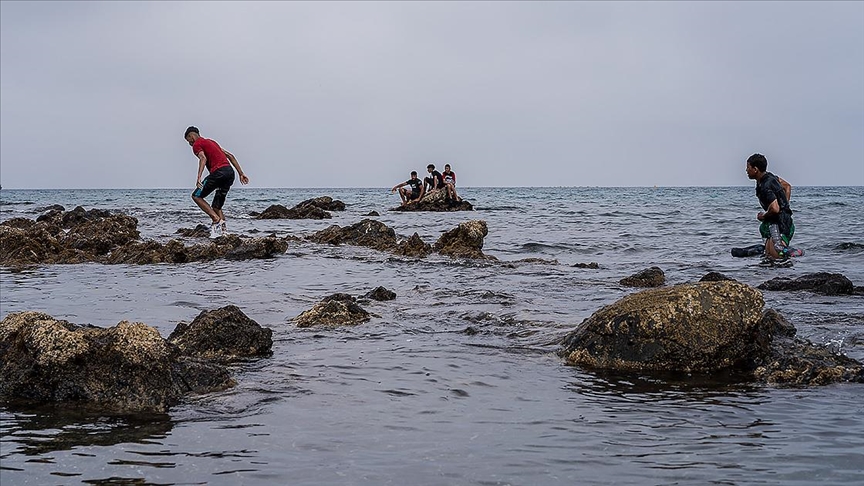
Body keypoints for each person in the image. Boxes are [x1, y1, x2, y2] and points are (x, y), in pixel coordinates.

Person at [184, 126, 249, 238]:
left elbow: (203, 158)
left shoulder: (197, 144)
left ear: (191, 136)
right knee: (216, 207)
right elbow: (230, 156)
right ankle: (224, 233)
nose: (189, 144)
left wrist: (198, 177)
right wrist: (241, 173)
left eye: (188, 140)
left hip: (219, 173)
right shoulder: (212, 142)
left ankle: (215, 218)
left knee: (196, 196)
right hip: (230, 173)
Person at [745, 153, 795, 260]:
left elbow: (775, 208)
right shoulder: (769, 177)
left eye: (748, 167)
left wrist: (763, 216)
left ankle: (793, 254)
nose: (746, 170)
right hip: (777, 221)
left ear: (755, 169)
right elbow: (787, 186)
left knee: (777, 256)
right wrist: (785, 205)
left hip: (780, 224)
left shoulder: (765, 186)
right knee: (768, 256)